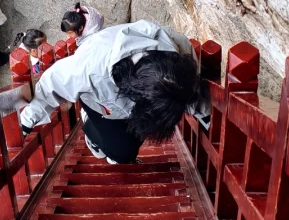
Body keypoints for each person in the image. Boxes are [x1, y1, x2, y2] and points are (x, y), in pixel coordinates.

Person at [19, 20, 210, 164]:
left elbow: (189, 90)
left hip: (134, 103)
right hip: (99, 100)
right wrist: (28, 119)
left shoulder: (178, 48)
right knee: (121, 154)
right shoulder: (89, 68)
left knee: (129, 147)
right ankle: (88, 122)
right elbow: (53, 82)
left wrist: (204, 113)